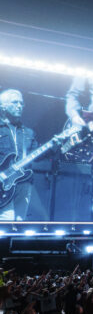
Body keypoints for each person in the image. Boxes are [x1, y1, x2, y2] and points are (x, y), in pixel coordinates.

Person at [0, 89, 36, 221]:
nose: (19, 106)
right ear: (3, 106)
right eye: (15, 102)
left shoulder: (28, 132)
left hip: (23, 183)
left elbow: (37, 155)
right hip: (3, 185)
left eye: (21, 103)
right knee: (6, 222)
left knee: (19, 227)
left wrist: (57, 146)